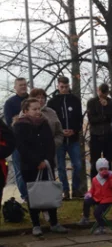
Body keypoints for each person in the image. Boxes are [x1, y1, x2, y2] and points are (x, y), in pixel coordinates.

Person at [13, 98, 67, 236]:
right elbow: (22, 147)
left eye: (39, 108)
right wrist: (37, 161)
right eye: (34, 109)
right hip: (30, 166)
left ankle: (54, 222)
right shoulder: (19, 126)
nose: (38, 112)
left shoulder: (44, 123)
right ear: (26, 111)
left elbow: (50, 143)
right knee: (33, 194)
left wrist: (46, 160)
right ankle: (36, 224)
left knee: (49, 191)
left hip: (47, 164)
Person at [48, 76, 84, 199]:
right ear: (58, 86)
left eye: (66, 87)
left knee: (77, 165)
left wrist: (74, 130)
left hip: (73, 139)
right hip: (59, 140)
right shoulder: (52, 102)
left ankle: (76, 189)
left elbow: (79, 118)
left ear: (69, 86)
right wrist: (60, 131)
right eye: (62, 87)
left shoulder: (75, 100)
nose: (64, 89)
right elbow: (51, 121)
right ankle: (65, 191)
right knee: (61, 167)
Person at [4, 77, 29, 200]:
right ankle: (25, 196)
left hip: (32, 141)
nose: (23, 87)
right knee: (19, 171)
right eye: (20, 85)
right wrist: (20, 117)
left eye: (25, 84)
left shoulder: (32, 100)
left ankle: (37, 195)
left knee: (34, 169)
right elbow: (9, 123)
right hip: (17, 141)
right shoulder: (10, 103)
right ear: (15, 87)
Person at [86, 83, 112, 176]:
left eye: (105, 93)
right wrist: (104, 117)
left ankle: (108, 182)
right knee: (95, 162)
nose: (103, 95)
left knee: (108, 161)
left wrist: (106, 107)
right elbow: (92, 119)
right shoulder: (92, 102)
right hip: (95, 135)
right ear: (98, 90)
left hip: (108, 135)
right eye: (101, 92)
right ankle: (95, 183)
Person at [82, 158, 112, 234]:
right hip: (97, 198)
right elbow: (92, 189)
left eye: (105, 169)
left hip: (107, 200)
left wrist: (111, 177)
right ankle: (85, 217)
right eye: (101, 169)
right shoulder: (95, 179)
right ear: (98, 170)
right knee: (86, 202)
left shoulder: (110, 177)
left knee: (97, 212)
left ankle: (102, 227)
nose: (103, 171)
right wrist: (89, 194)